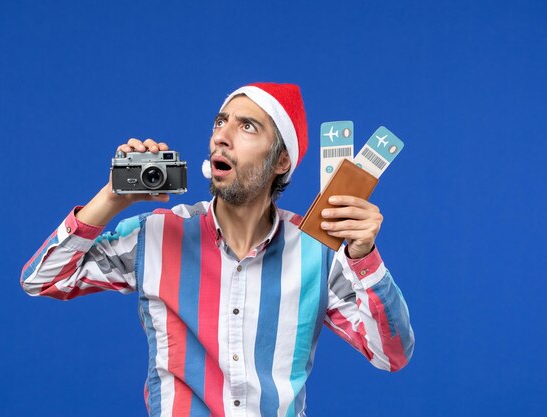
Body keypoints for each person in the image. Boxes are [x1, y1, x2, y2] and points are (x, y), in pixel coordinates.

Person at [21, 82, 414, 417]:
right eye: (220, 122)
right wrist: (112, 197)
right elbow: (42, 279)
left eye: (247, 126)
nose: (221, 136)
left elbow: (391, 354)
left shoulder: (317, 252)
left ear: (281, 161)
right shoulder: (155, 234)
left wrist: (364, 257)